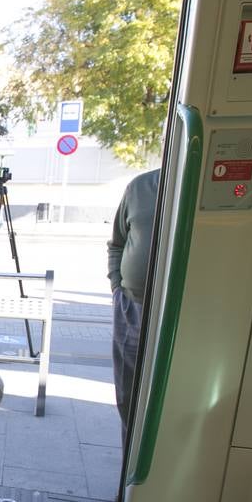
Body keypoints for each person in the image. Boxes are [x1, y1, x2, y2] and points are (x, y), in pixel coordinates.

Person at [107, 168, 160, 437]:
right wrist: (117, 287)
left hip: (178, 314)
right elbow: (117, 243)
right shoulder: (139, 188)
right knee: (127, 396)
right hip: (131, 307)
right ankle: (128, 465)